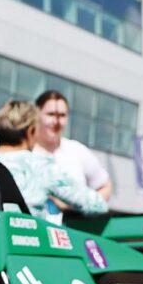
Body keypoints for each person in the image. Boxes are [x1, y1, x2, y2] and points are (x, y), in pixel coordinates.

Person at [0, 101, 108, 222]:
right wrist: (65, 205)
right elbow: (97, 205)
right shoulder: (40, 166)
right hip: (22, 232)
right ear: (30, 132)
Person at [33, 90, 113, 220]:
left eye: (62, 115)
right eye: (51, 114)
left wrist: (79, 207)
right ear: (36, 114)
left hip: (73, 228)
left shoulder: (77, 150)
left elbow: (105, 186)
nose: (56, 121)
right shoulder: (25, 152)